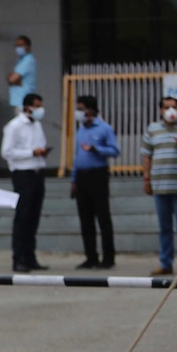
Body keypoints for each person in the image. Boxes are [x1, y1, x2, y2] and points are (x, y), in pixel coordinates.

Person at [141, 96, 177, 276]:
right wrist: (146, 179)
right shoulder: (152, 129)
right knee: (164, 227)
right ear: (160, 110)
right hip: (160, 186)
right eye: (167, 107)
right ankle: (166, 263)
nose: (171, 111)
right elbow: (147, 155)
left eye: (174, 107)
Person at [0, 93, 50, 273]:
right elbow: (6, 152)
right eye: (37, 106)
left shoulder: (37, 124)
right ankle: (18, 258)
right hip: (23, 174)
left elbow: (40, 144)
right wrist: (31, 152)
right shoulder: (14, 126)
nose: (39, 110)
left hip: (38, 173)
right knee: (22, 217)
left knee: (33, 218)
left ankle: (30, 257)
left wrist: (41, 153)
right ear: (28, 107)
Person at [70, 95, 120, 269]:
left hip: (98, 175)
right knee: (85, 218)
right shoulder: (81, 130)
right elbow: (77, 156)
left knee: (103, 217)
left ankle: (108, 257)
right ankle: (91, 256)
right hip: (82, 176)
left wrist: (96, 149)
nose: (78, 112)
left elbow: (114, 151)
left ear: (90, 110)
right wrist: (74, 179)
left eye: (81, 109)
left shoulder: (104, 128)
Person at [6, 35, 36, 113]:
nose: (18, 48)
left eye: (20, 45)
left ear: (27, 46)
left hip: (23, 102)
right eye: (16, 46)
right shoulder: (21, 61)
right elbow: (11, 79)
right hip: (20, 101)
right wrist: (15, 79)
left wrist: (13, 78)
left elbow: (11, 79)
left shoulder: (27, 61)